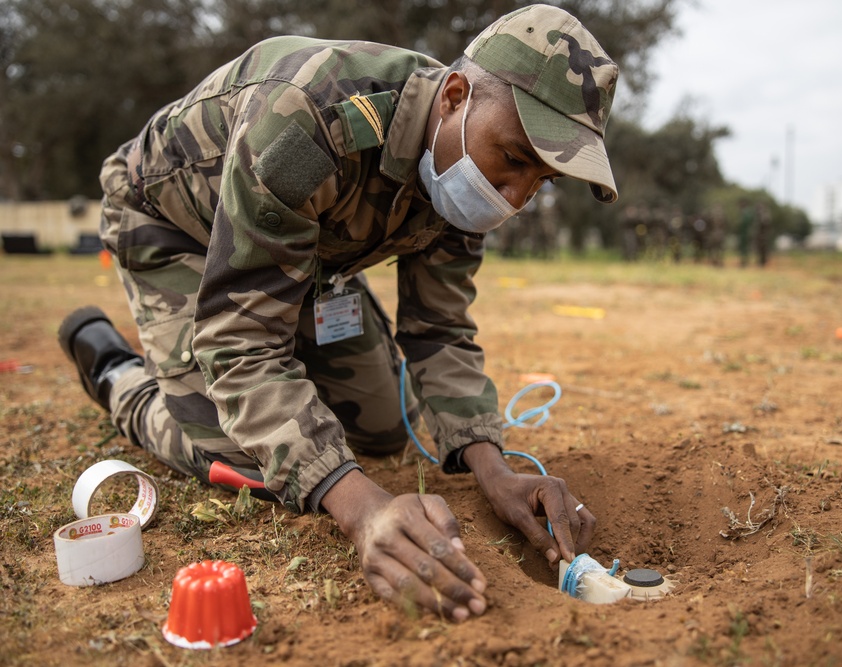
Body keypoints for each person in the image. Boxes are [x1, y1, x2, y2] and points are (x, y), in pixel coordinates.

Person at [57, 5, 618, 622]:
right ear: (455, 96)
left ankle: (289, 343)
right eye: (514, 158)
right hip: (171, 223)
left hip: (301, 253)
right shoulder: (308, 120)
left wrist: (493, 467)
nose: (514, 198)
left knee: (376, 429)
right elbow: (241, 341)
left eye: (540, 182)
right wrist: (363, 510)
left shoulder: (466, 166)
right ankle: (117, 373)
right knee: (260, 457)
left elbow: (440, 329)